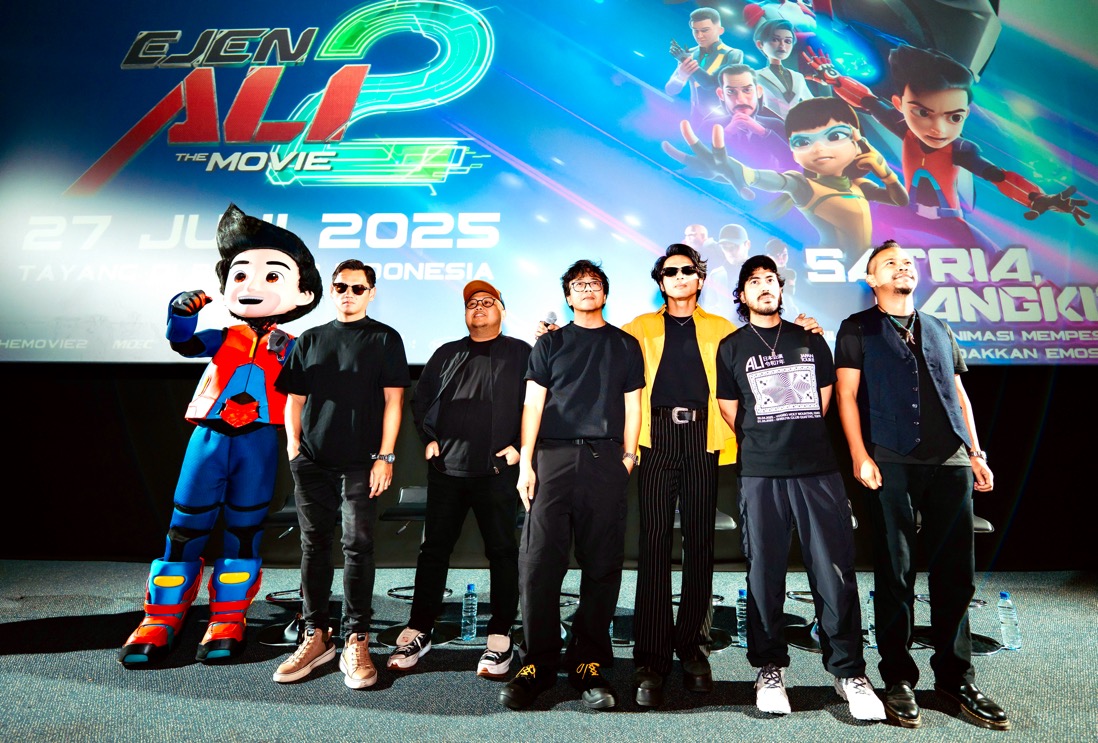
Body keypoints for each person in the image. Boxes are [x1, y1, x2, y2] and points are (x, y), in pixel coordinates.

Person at [119, 203, 322, 666]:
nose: (251, 286)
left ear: (303, 292)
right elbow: (185, 343)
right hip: (209, 439)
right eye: (240, 274)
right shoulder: (224, 337)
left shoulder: (296, 347)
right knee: (185, 526)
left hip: (259, 442)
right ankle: (160, 618)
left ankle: (228, 618)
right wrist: (180, 315)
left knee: (245, 530)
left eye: (272, 276)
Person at [834, 240, 1010, 730]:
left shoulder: (938, 327)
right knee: (896, 572)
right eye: (890, 263)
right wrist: (860, 455)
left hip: (950, 461)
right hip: (890, 460)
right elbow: (846, 395)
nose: (902, 267)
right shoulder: (856, 328)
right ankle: (898, 677)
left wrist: (975, 452)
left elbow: (959, 394)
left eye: (908, 262)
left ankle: (956, 678)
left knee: (956, 574)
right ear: (871, 279)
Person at [715, 255, 886, 721]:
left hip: (817, 471)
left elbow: (824, 401)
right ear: (742, 295)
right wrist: (767, 438)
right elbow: (730, 409)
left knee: (834, 572)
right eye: (754, 281)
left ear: (780, 288)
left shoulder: (810, 338)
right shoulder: (731, 347)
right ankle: (769, 668)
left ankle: (849, 672)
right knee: (764, 573)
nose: (765, 287)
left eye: (771, 279)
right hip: (760, 474)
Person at [499, 260, 644, 711]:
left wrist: (628, 456)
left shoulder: (625, 344)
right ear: (567, 296)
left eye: (594, 283)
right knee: (538, 564)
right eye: (578, 285)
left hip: (606, 460)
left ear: (605, 293)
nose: (586, 289)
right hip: (552, 459)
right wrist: (526, 463)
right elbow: (532, 405)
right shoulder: (550, 343)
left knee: (602, 565)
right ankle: (537, 663)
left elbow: (634, 404)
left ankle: (589, 663)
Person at [272, 259, 410, 689]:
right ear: (331, 291)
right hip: (312, 462)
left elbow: (394, 402)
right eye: (341, 287)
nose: (348, 294)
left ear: (371, 292)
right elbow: (294, 399)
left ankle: (356, 638)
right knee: (313, 546)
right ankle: (316, 636)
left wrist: (385, 457)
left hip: (362, 463)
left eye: (357, 287)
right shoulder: (309, 339)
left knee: (358, 547)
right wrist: (294, 446)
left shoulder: (385, 338)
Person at [386, 280, 530, 678]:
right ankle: (419, 629)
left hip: (497, 472)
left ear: (503, 310)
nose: (478, 307)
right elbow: (421, 399)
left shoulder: (522, 353)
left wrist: (519, 449)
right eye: (472, 303)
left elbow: (539, 403)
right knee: (433, 551)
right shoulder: (446, 353)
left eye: (487, 302)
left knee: (502, 552)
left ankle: (500, 634)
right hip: (447, 471)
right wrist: (429, 440)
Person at [621, 244, 736, 707]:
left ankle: (693, 649)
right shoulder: (638, 328)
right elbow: (601, 353)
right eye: (671, 271)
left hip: (704, 439)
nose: (680, 276)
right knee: (652, 542)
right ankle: (650, 657)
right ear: (661, 281)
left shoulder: (723, 329)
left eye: (689, 270)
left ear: (700, 279)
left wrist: (805, 331)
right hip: (655, 439)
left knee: (700, 542)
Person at [804, 45, 1089, 226]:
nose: (938, 129)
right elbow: (868, 101)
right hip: (907, 221)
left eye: (954, 117)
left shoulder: (960, 150)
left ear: (966, 113)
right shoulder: (904, 128)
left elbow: (998, 176)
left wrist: (1036, 198)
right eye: (923, 113)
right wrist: (836, 80)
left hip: (950, 225)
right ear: (900, 105)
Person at [667, 97, 909, 261]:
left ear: (857, 142)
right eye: (803, 142)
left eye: (835, 136)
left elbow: (900, 200)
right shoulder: (803, 186)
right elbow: (764, 178)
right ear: (793, 151)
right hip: (832, 276)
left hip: (865, 274)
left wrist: (886, 174)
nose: (818, 148)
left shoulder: (859, 186)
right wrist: (735, 169)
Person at [666, 8, 744, 129]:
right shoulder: (689, 53)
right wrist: (681, 77)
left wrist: (687, 62)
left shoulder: (732, 54)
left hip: (723, 121)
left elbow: (711, 84)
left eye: (705, 30)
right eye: (695, 30)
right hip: (694, 119)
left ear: (720, 30)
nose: (699, 36)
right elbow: (671, 90)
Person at [753, 19, 812, 120]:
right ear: (760, 44)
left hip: (799, 125)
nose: (782, 45)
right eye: (775, 40)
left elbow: (812, 103)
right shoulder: (754, 76)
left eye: (787, 41)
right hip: (769, 125)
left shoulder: (798, 77)